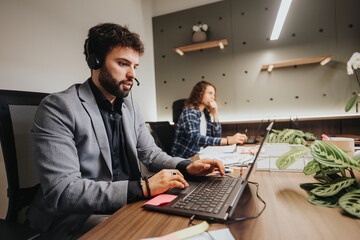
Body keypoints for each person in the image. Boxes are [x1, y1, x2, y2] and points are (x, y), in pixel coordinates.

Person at [27, 23, 225, 239]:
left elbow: (151, 153)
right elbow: (64, 191)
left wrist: (187, 166)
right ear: (95, 61)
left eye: (135, 66)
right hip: (77, 218)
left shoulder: (129, 105)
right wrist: (143, 189)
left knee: (196, 219)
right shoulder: (58, 107)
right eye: (123, 64)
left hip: (129, 204)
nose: (131, 74)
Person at [171, 81, 248, 159]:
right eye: (210, 93)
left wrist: (215, 113)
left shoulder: (205, 114)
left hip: (201, 155)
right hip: (186, 158)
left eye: (214, 94)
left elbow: (216, 137)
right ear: (199, 94)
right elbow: (196, 139)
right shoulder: (189, 112)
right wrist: (228, 141)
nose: (213, 97)